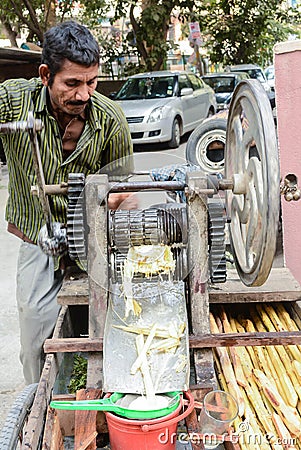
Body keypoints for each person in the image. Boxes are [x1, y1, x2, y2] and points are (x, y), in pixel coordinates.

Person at [0, 20, 134, 385]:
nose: (84, 94)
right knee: (37, 343)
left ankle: (100, 400)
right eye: (72, 83)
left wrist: (95, 221)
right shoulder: (14, 102)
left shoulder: (110, 120)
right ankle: (40, 412)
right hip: (37, 238)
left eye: (91, 82)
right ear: (45, 75)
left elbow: (123, 190)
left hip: (94, 242)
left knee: (107, 332)